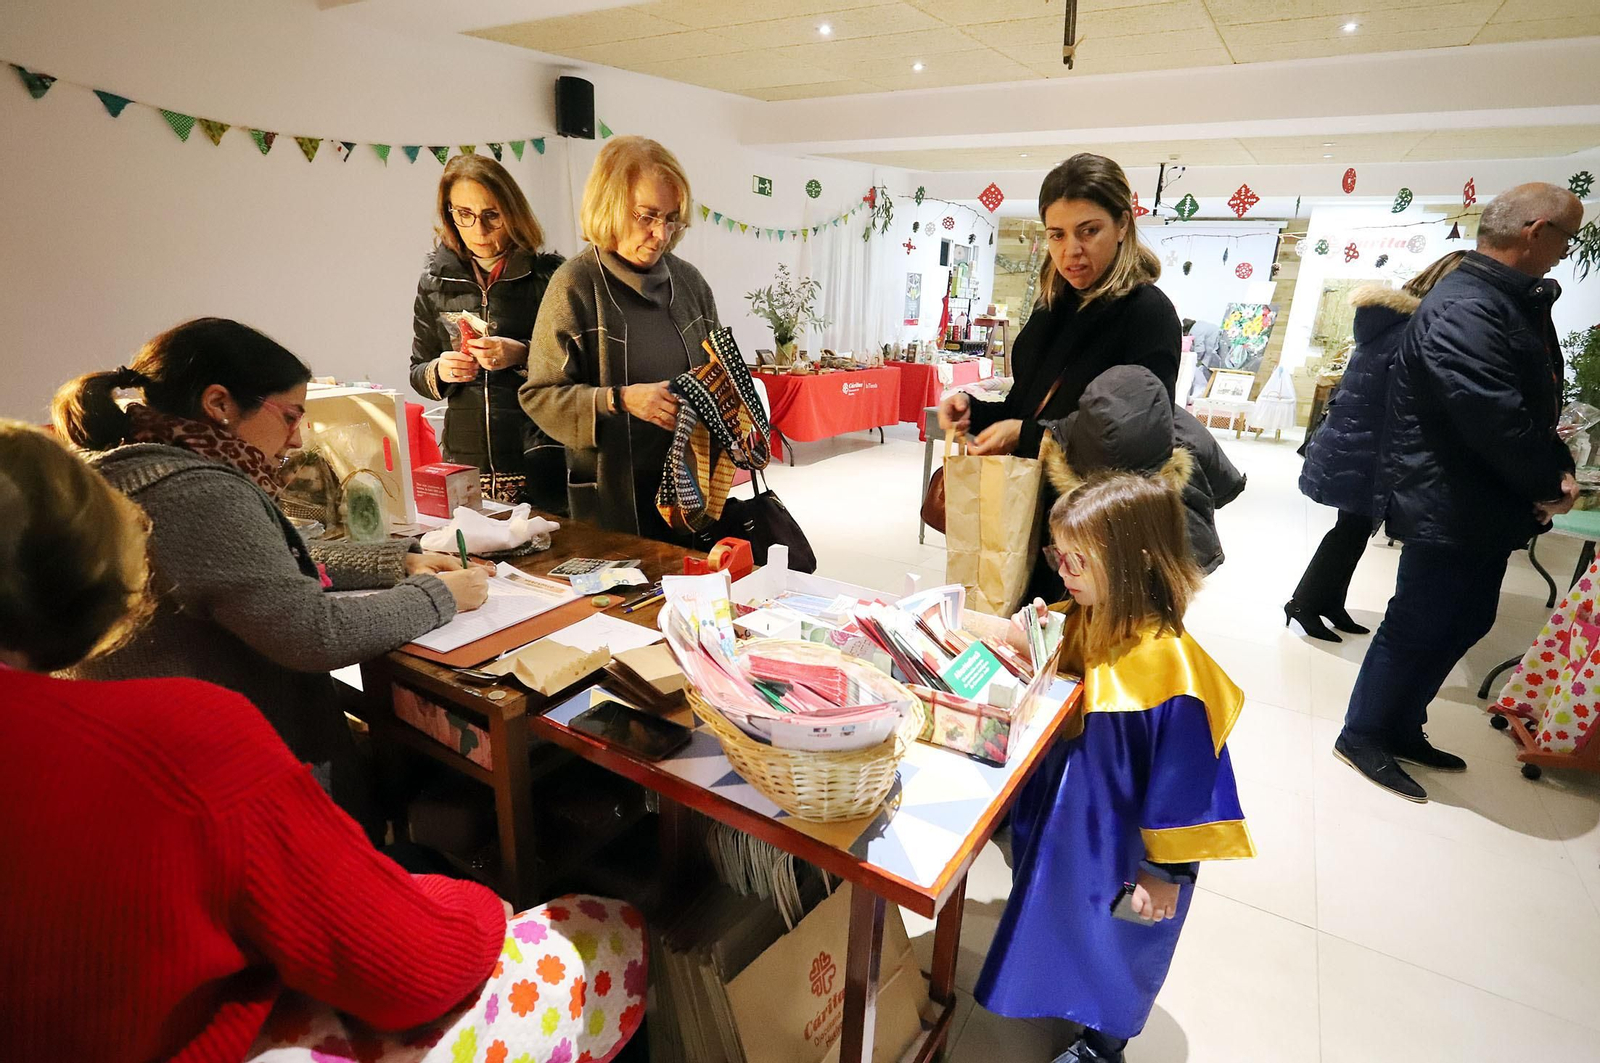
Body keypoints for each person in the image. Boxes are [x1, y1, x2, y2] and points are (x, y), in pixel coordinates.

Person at [0, 422, 648, 1063]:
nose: (299, 436)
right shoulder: (184, 736)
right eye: (288, 415)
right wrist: (487, 900)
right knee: (609, 929)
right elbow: (407, 968)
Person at [54, 318, 489, 830]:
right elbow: (314, 635)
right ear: (219, 404)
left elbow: (256, 561)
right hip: (220, 788)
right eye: (289, 416)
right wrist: (437, 595)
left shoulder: (122, 467)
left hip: (149, 762)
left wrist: (396, 561)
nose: (296, 439)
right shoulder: (195, 491)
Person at [975, 472, 1254, 1063]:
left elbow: (1187, 788)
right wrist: (1026, 630)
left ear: (1136, 561)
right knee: (1065, 912)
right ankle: (1062, 993)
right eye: (1059, 555)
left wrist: (1164, 872)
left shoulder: (1174, 674)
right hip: (1075, 826)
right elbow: (1053, 649)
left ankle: (1105, 1044)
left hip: (1127, 846)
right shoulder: (1089, 615)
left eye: (1079, 560)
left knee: (1122, 936)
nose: (1063, 572)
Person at [1335, 183, 1584, 802]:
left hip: (1480, 500)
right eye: (1567, 236)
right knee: (1418, 622)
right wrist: (1547, 478)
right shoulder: (1467, 305)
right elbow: (1489, 411)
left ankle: (1401, 725)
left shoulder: (1504, 300)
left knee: (1467, 618)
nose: (1567, 250)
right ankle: (1362, 734)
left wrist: (1550, 468)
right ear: (1536, 231)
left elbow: (1525, 406)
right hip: (1446, 497)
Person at [937, 152, 1181, 599]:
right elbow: (1030, 404)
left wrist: (1028, 435)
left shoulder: (1148, 314)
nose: (1071, 250)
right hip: (1024, 508)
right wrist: (974, 412)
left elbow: (1135, 442)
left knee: (1067, 636)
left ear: (1122, 225)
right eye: (1057, 234)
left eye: (1089, 231)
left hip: (1093, 533)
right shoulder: (1053, 305)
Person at [521, 136, 720, 542]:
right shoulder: (575, 285)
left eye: (672, 219)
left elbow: (718, 374)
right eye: (647, 216)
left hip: (688, 495)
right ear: (609, 205)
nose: (661, 234)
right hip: (611, 498)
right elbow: (539, 396)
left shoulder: (690, 284)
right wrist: (619, 400)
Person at [1286, 251, 1467, 641]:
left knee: (1354, 528)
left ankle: (1328, 601)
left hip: (1360, 440)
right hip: (1370, 444)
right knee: (1350, 529)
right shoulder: (1414, 329)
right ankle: (1303, 603)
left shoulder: (1393, 323)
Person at [411, 152, 567, 510]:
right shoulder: (435, 280)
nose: (478, 230)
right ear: (449, 213)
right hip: (466, 461)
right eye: (464, 214)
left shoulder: (549, 277)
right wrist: (441, 370)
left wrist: (522, 354)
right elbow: (418, 369)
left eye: (491, 215)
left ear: (512, 211)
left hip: (537, 456)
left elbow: (579, 366)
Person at [1041, 364, 1246, 574]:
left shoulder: (1075, 431)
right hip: (1169, 539)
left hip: (1168, 546)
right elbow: (1225, 485)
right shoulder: (1187, 431)